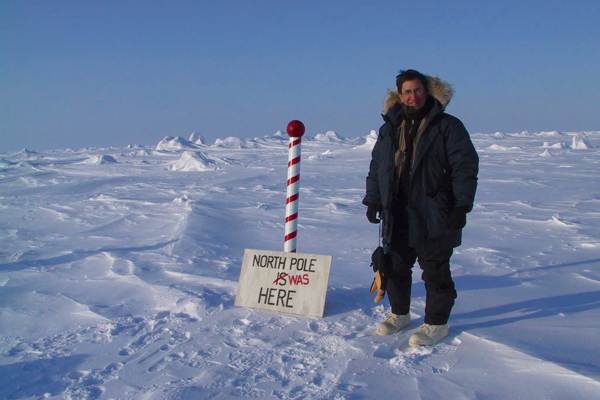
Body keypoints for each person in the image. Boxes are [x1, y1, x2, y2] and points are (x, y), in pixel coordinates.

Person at [363, 69, 478, 347]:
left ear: (426, 91)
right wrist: (373, 199)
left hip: (433, 210)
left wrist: (461, 205)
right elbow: (378, 165)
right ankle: (399, 314)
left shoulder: (447, 126)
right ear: (398, 95)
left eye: (417, 90)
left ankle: (436, 323)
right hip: (397, 210)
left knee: (435, 269)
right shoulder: (389, 127)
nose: (413, 97)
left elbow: (465, 167)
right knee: (396, 266)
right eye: (407, 92)